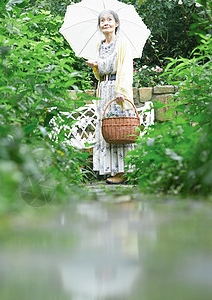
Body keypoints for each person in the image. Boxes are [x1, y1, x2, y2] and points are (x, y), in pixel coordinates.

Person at [86, 10, 135, 185]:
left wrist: (121, 90)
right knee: (108, 130)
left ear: (116, 23)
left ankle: (124, 171)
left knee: (120, 129)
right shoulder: (99, 45)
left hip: (117, 91)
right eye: (102, 21)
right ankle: (112, 170)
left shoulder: (122, 44)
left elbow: (126, 69)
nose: (105, 23)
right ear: (99, 25)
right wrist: (95, 67)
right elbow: (101, 74)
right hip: (104, 89)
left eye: (109, 20)